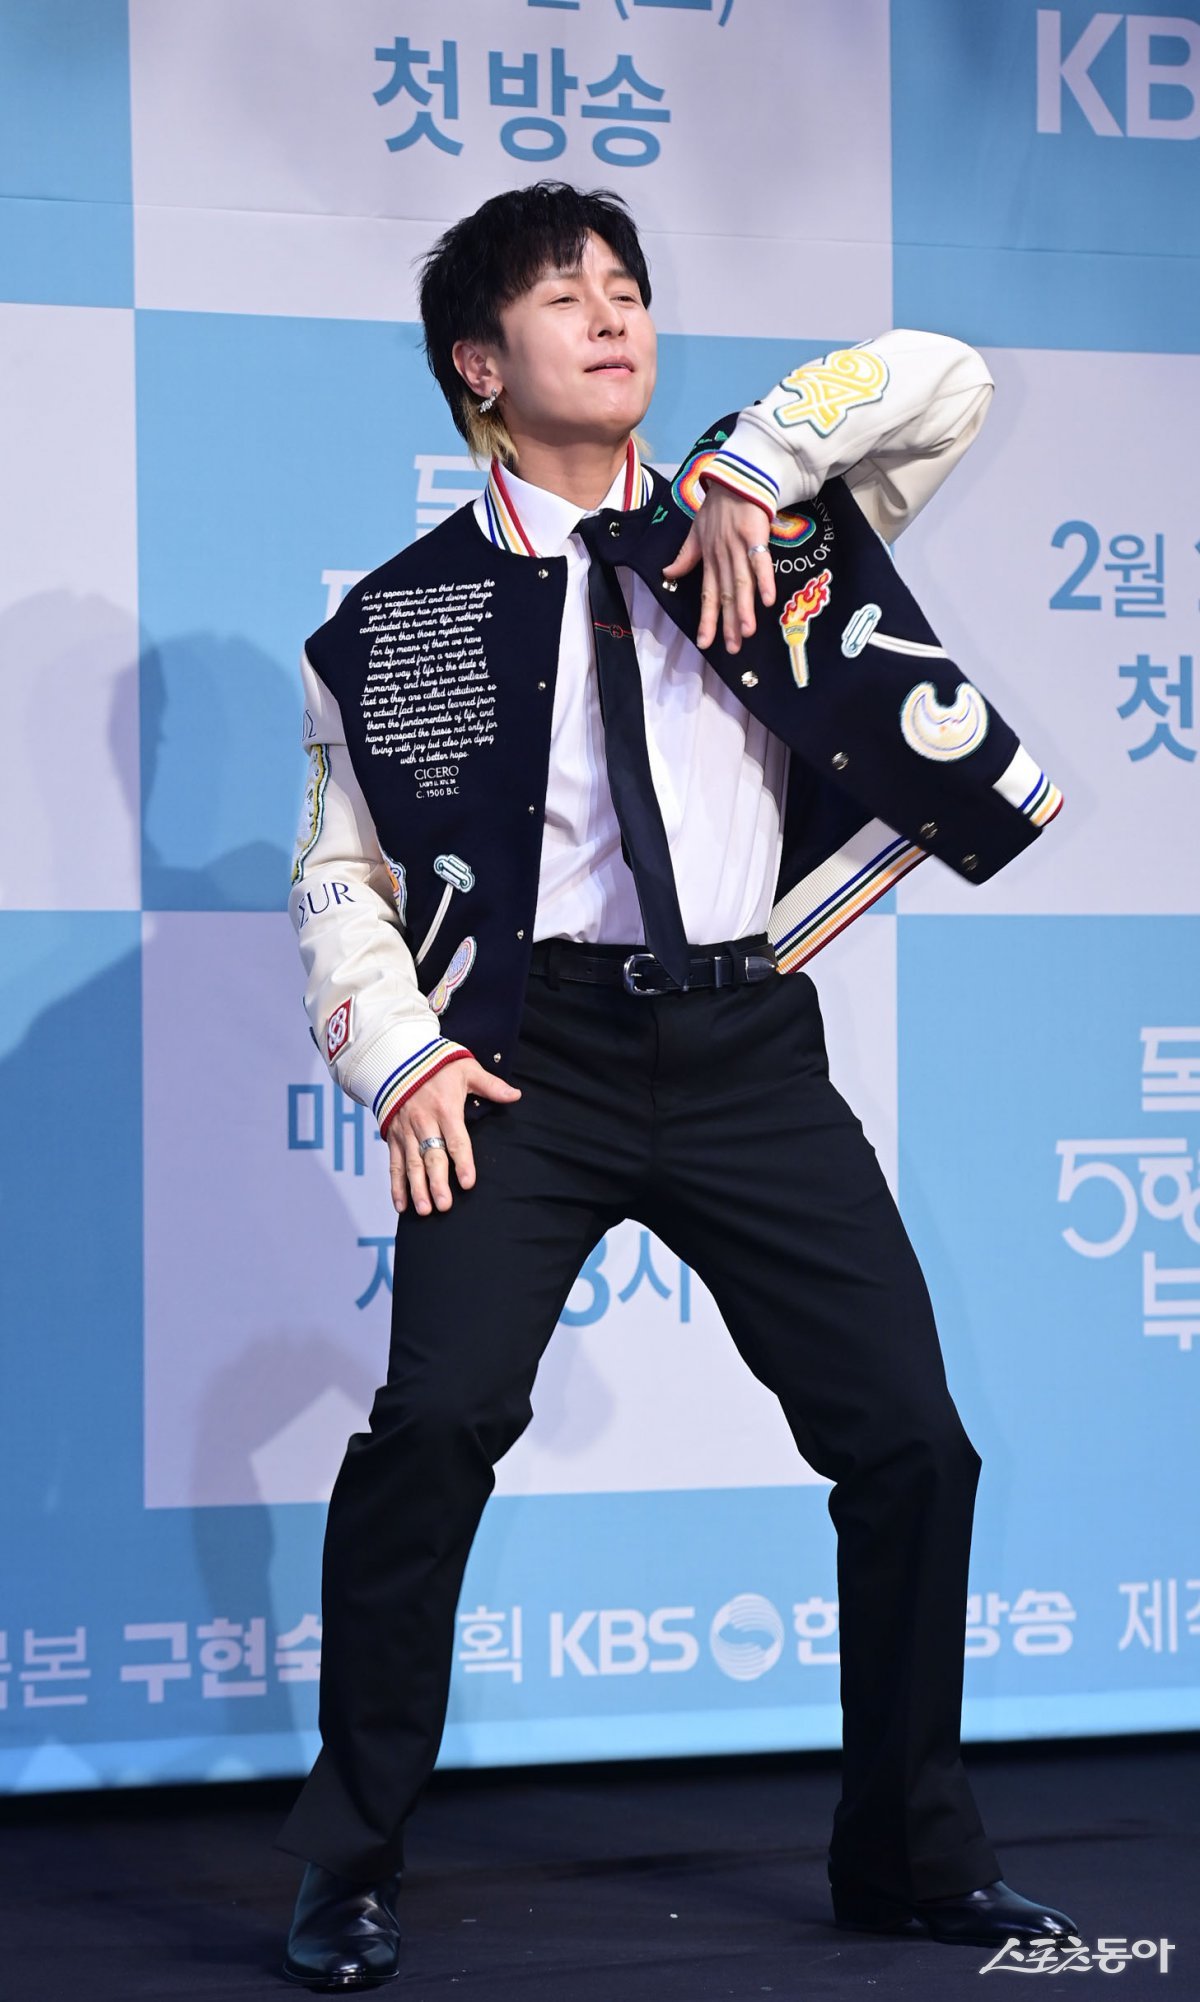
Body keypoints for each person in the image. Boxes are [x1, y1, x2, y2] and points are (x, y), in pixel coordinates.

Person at [277, 181, 1075, 1991]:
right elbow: (341, 876)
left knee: (912, 1439)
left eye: (628, 287)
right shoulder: (397, 620)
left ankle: (909, 1855)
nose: (614, 316)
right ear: (481, 366)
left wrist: (759, 456)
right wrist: (403, 1057)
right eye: (565, 296)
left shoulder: (763, 520)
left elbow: (945, 378)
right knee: (433, 1431)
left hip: (743, 1047)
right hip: (522, 1061)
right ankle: (346, 1858)